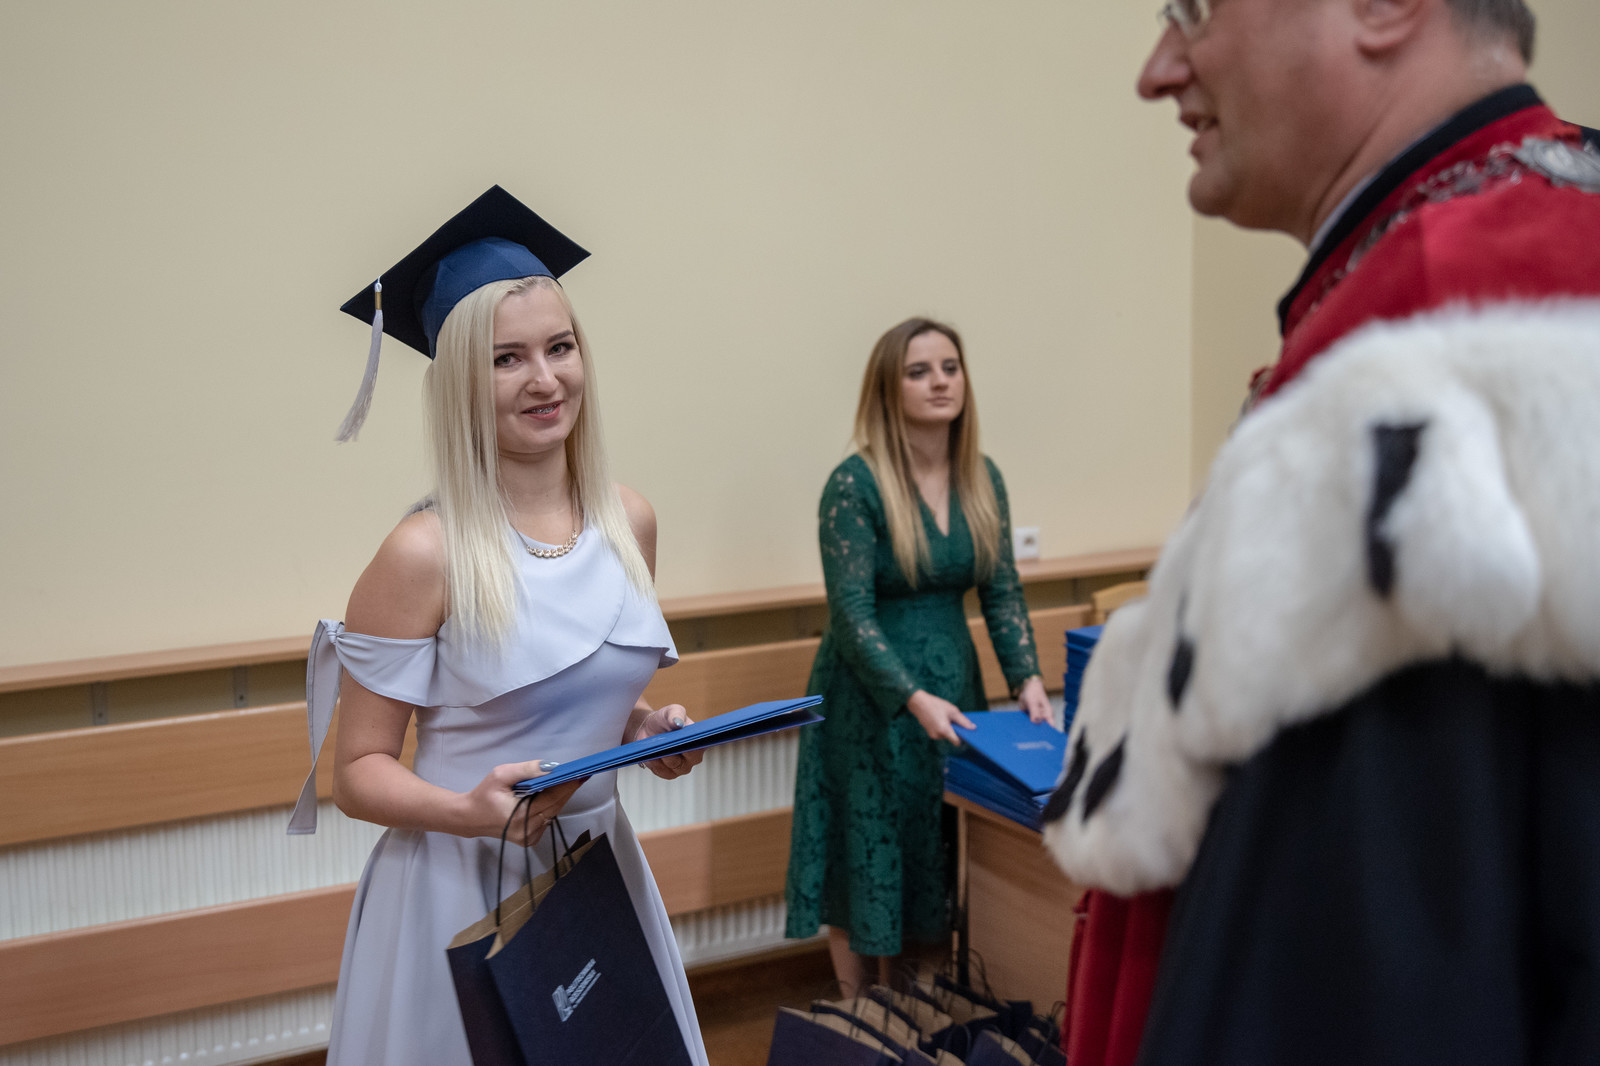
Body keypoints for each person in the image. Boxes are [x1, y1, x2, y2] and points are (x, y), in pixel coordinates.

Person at [1043, 0, 1600, 1062]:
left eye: (1195, 10)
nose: (1158, 70)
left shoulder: (1459, 314)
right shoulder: (1444, 263)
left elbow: (1375, 984)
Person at [287, 187, 709, 1065]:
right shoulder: (423, 553)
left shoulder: (630, 521)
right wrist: (468, 812)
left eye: (560, 347)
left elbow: (583, 701)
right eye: (506, 359)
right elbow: (356, 775)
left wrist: (645, 732)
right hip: (457, 883)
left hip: (595, 872)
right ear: (458, 384)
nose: (544, 380)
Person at [784, 316, 1052, 997]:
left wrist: (1027, 678)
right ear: (888, 387)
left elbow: (1002, 591)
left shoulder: (982, 477)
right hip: (869, 698)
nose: (940, 382)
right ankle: (861, 1017)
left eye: (950, 367)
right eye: (919, 371)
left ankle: (922, 1013)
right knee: (866, 848)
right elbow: (851, 614)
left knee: (936, 848)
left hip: (954, 686)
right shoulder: (855, 484)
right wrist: (910, 697)